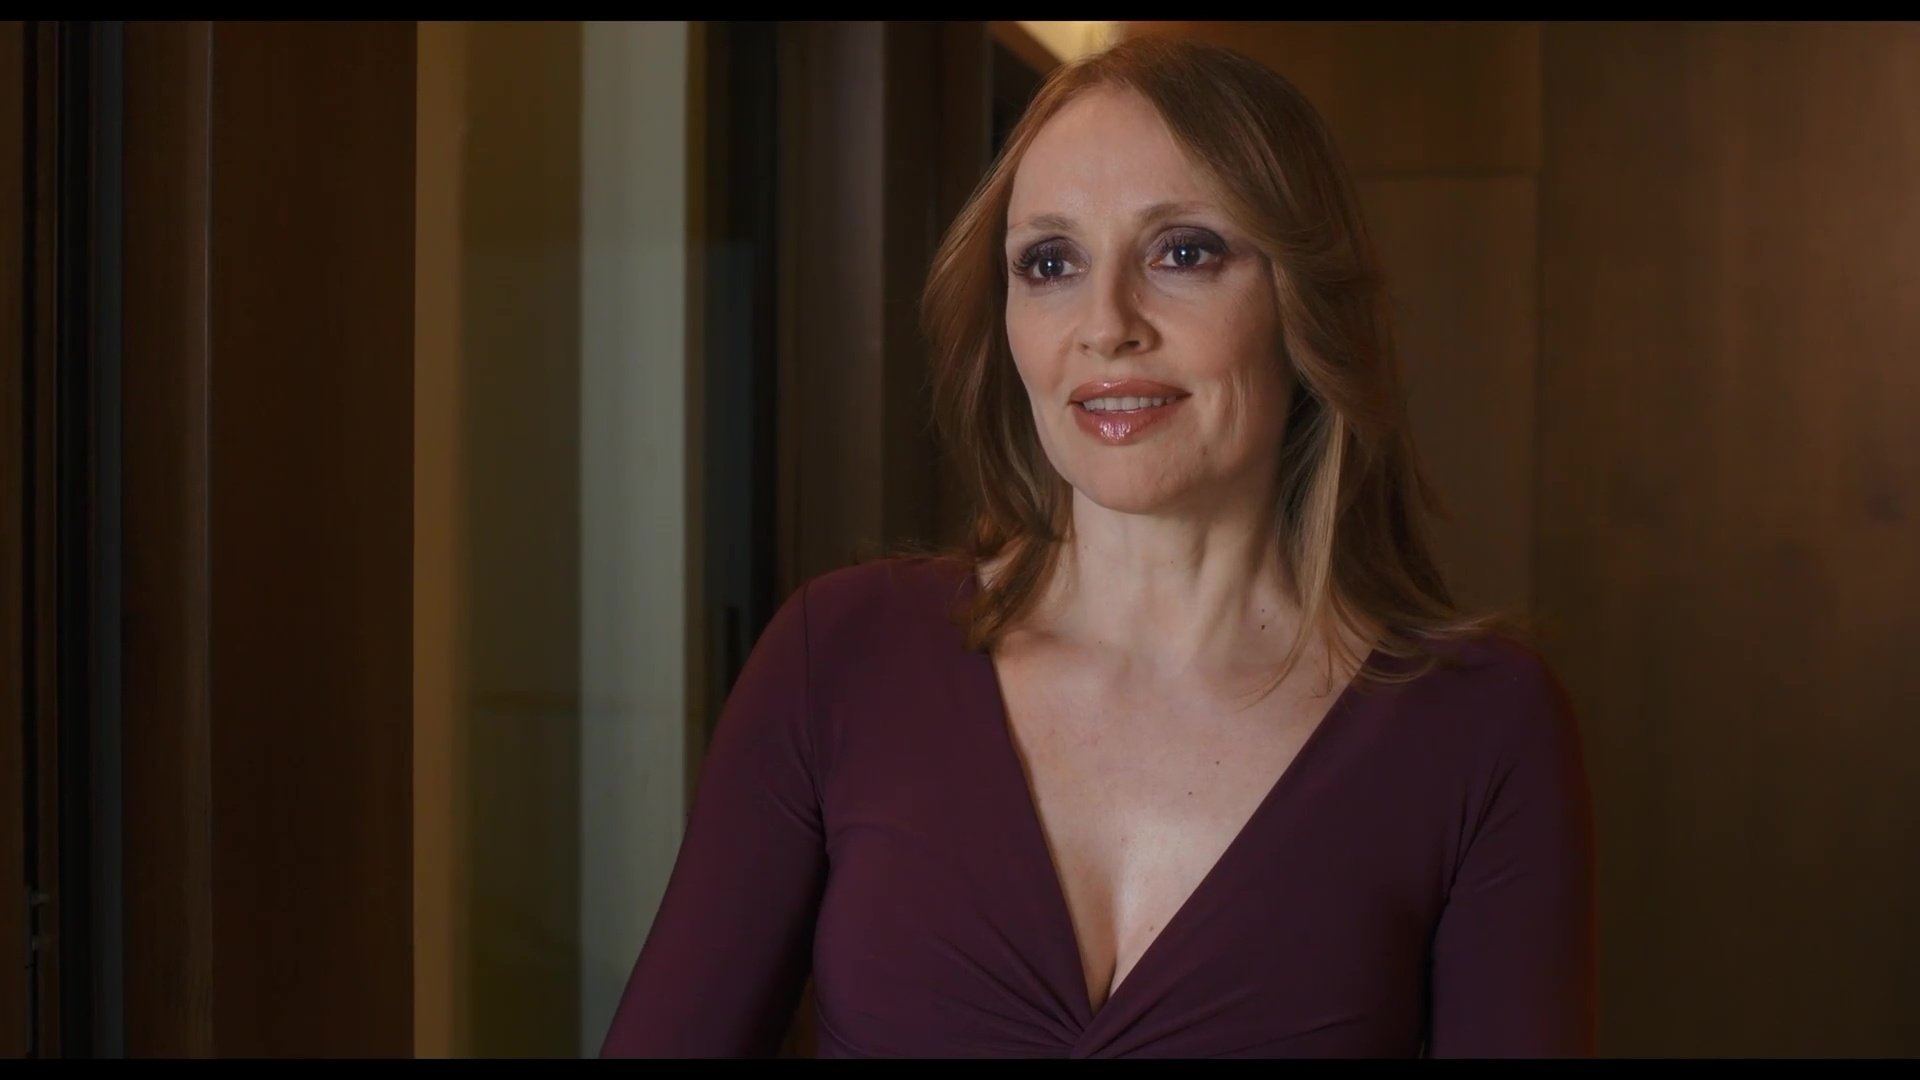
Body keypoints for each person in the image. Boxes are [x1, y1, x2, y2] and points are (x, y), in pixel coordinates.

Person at [600, 34, 1596, 1059]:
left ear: (1304, 299)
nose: (1105, 323)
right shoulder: (839, 656)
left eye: (1183, 252)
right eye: (1050, 263)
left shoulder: (1480, 726)